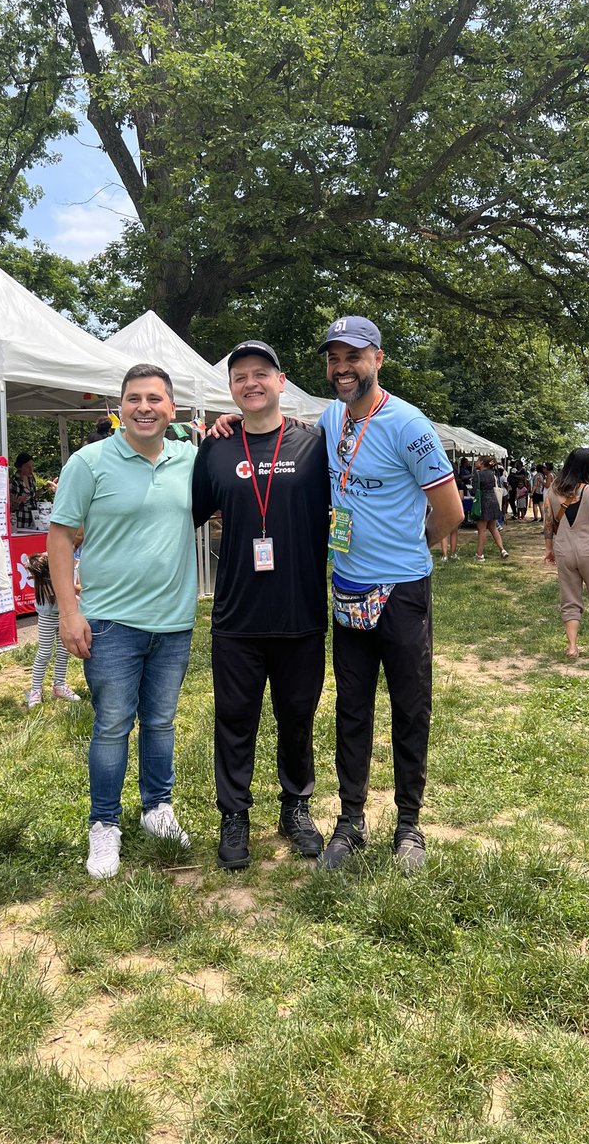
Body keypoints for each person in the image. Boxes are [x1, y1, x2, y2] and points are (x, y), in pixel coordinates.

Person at [317, 314, 464, 871]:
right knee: (351, 708)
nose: (342, 368)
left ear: (377, 359)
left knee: (410, 706)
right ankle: (350, 821)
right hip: (347, 586)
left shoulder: (408, 424)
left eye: (353, 357)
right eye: (334, 359)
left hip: (401, 591)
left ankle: (408, 826)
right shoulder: (331, 418)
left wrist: (409, 548)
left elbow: (450, 511)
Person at [48, 364, 197, 879]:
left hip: (174, 621)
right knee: (112, 725)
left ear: (171, 408)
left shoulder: (190, 460)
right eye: (134, 398)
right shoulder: (89, 462)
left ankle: (157, 808)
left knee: (160, 721)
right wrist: (69, 612)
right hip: (110, 622)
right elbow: (60, 538)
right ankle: (104, 823)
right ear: (120, 408)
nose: (144, 407)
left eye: (155, 398)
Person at [192, 340, 329, 870]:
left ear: (281, 381)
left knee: (297, 718)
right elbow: (189, 512)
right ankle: (234, 816)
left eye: (261, 373)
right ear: (231, 388)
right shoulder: (217, 447)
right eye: (240, 376)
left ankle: (296, 808)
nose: (250, 383)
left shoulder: (314, 444)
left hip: (300, 612)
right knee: (234, 719)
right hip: (237, 616)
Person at [544, 448, 589, 659]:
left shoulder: (552, 491)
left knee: (569, 598)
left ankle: (572, 647)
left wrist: (549, 549)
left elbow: (548, 524)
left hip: (564, 548)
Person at [25, 551, 83, 707]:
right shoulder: (48, 568)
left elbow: (77, 587)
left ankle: (59, 686)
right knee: (44, 652)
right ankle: (36, 690)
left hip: (66, 615)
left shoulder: (73, 565)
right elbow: (64, 593)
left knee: (64, 651)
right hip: (48, 617)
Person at [473, 456, 509, 561]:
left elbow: (474, 490)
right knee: (493, 527)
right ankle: (502, 549)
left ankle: (480, 555)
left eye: (477, 461)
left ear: (482, 463)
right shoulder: (492, 473)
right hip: (493, 500)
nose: (476, 462)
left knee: (482, 529)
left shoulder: (478, 474)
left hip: (483, 502)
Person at [10, 452, 39, 529]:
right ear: (20, 467)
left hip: (33, 519)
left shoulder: (31, 478)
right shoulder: (14, 481)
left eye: (32, 466)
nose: (31, 469)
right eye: (27, 467)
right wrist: (18, 502)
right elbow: (11, 506)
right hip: (21, 519)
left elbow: (33, 496)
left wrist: (45, 488)